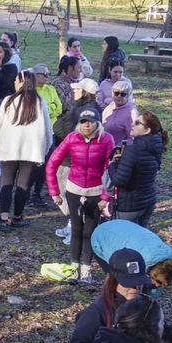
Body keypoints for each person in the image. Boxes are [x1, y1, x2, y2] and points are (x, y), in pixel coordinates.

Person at [46, 106, 115, 284]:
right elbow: (52, 163)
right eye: (83, 122)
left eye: (90, 122)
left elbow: (111, 170)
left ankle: (86, 270)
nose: (86, 125)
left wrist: (105, 197)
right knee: (76, 230)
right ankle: (74, 269)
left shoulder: (107, 139)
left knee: (89, 232)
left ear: (97, 123)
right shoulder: (71, 138)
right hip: (74, 190)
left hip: (95, 191)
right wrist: (54, 192)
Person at [0, 69, 54, 228]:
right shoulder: (39, 102)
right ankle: (17, 216)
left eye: (16, 80)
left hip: (9, 149)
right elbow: (47, 130)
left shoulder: (8, 101)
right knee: (23, 185)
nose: (14, 82)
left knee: (6, 182)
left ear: (21, 82)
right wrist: (44, 149)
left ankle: (4, 217)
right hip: (31, 152)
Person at [109, 109, 165, 226]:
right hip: (148, 201)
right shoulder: (157, 146)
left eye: (137, 123)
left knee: (124, 236)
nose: (132, 125)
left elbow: (119, 181)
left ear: (146, 130)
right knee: (140, 235)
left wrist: (112, 164)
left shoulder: (132, 151)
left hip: (130, 206)